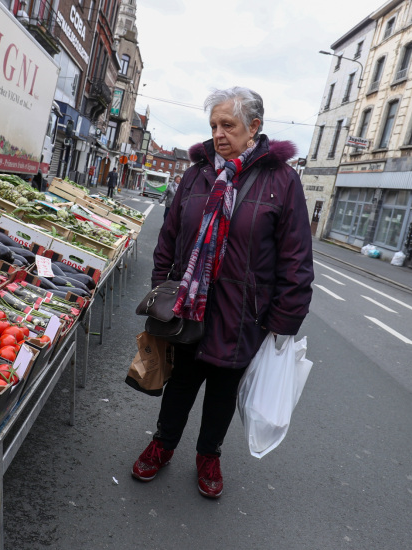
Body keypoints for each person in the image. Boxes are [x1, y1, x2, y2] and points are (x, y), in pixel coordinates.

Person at [131, 86, 314, 499]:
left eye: (227, 124)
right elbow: (169, 236)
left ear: (254, 128)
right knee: (180, 383)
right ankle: (162, 444)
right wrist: (163, 288)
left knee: (222, 392)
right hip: (188, 308)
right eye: (213, 125)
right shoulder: (197, 173)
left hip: (242, 314)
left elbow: (296, 260)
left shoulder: (281, 182)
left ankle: (208, 455)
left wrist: (282, 323)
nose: (218, 133)